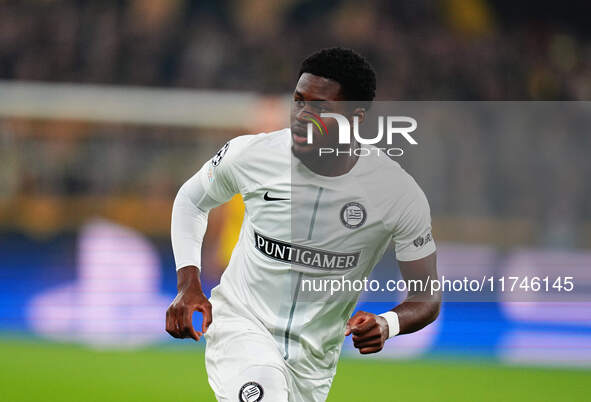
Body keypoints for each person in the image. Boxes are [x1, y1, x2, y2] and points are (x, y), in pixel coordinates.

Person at [166, 47, 440, 402]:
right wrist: (188, 284)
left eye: (321, 107)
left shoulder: (396, 193)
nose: (303, 115)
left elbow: (426, 295)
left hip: (313, 364)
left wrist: (389, 323)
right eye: (299, 101)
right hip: (241, 328)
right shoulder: (253, 155)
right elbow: (191, 200)